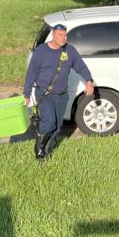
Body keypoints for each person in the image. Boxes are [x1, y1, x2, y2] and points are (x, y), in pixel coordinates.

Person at [23, 23, 94, 161]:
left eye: (65, 35)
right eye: (60, 35)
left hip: (62, 95)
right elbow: (31, 73)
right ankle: (39, 150)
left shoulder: (70, 51)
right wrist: (26, 94)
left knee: (57, 126)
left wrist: (89, 81)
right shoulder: (41, 51)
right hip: (45, 93)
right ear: (53, 35)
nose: (63, 38)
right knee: (49, 122)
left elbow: (81, 66)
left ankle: (48, 152)